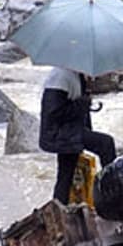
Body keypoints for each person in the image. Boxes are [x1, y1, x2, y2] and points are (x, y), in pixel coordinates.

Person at [39, 68, 117, 204]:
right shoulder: (60, 77)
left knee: (65, 174)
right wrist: (82, 104)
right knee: (106, 144)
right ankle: (112, 193)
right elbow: (53, 114)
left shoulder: (75, 74)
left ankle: (59, 206)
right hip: (60, 133)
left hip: (69, 131)